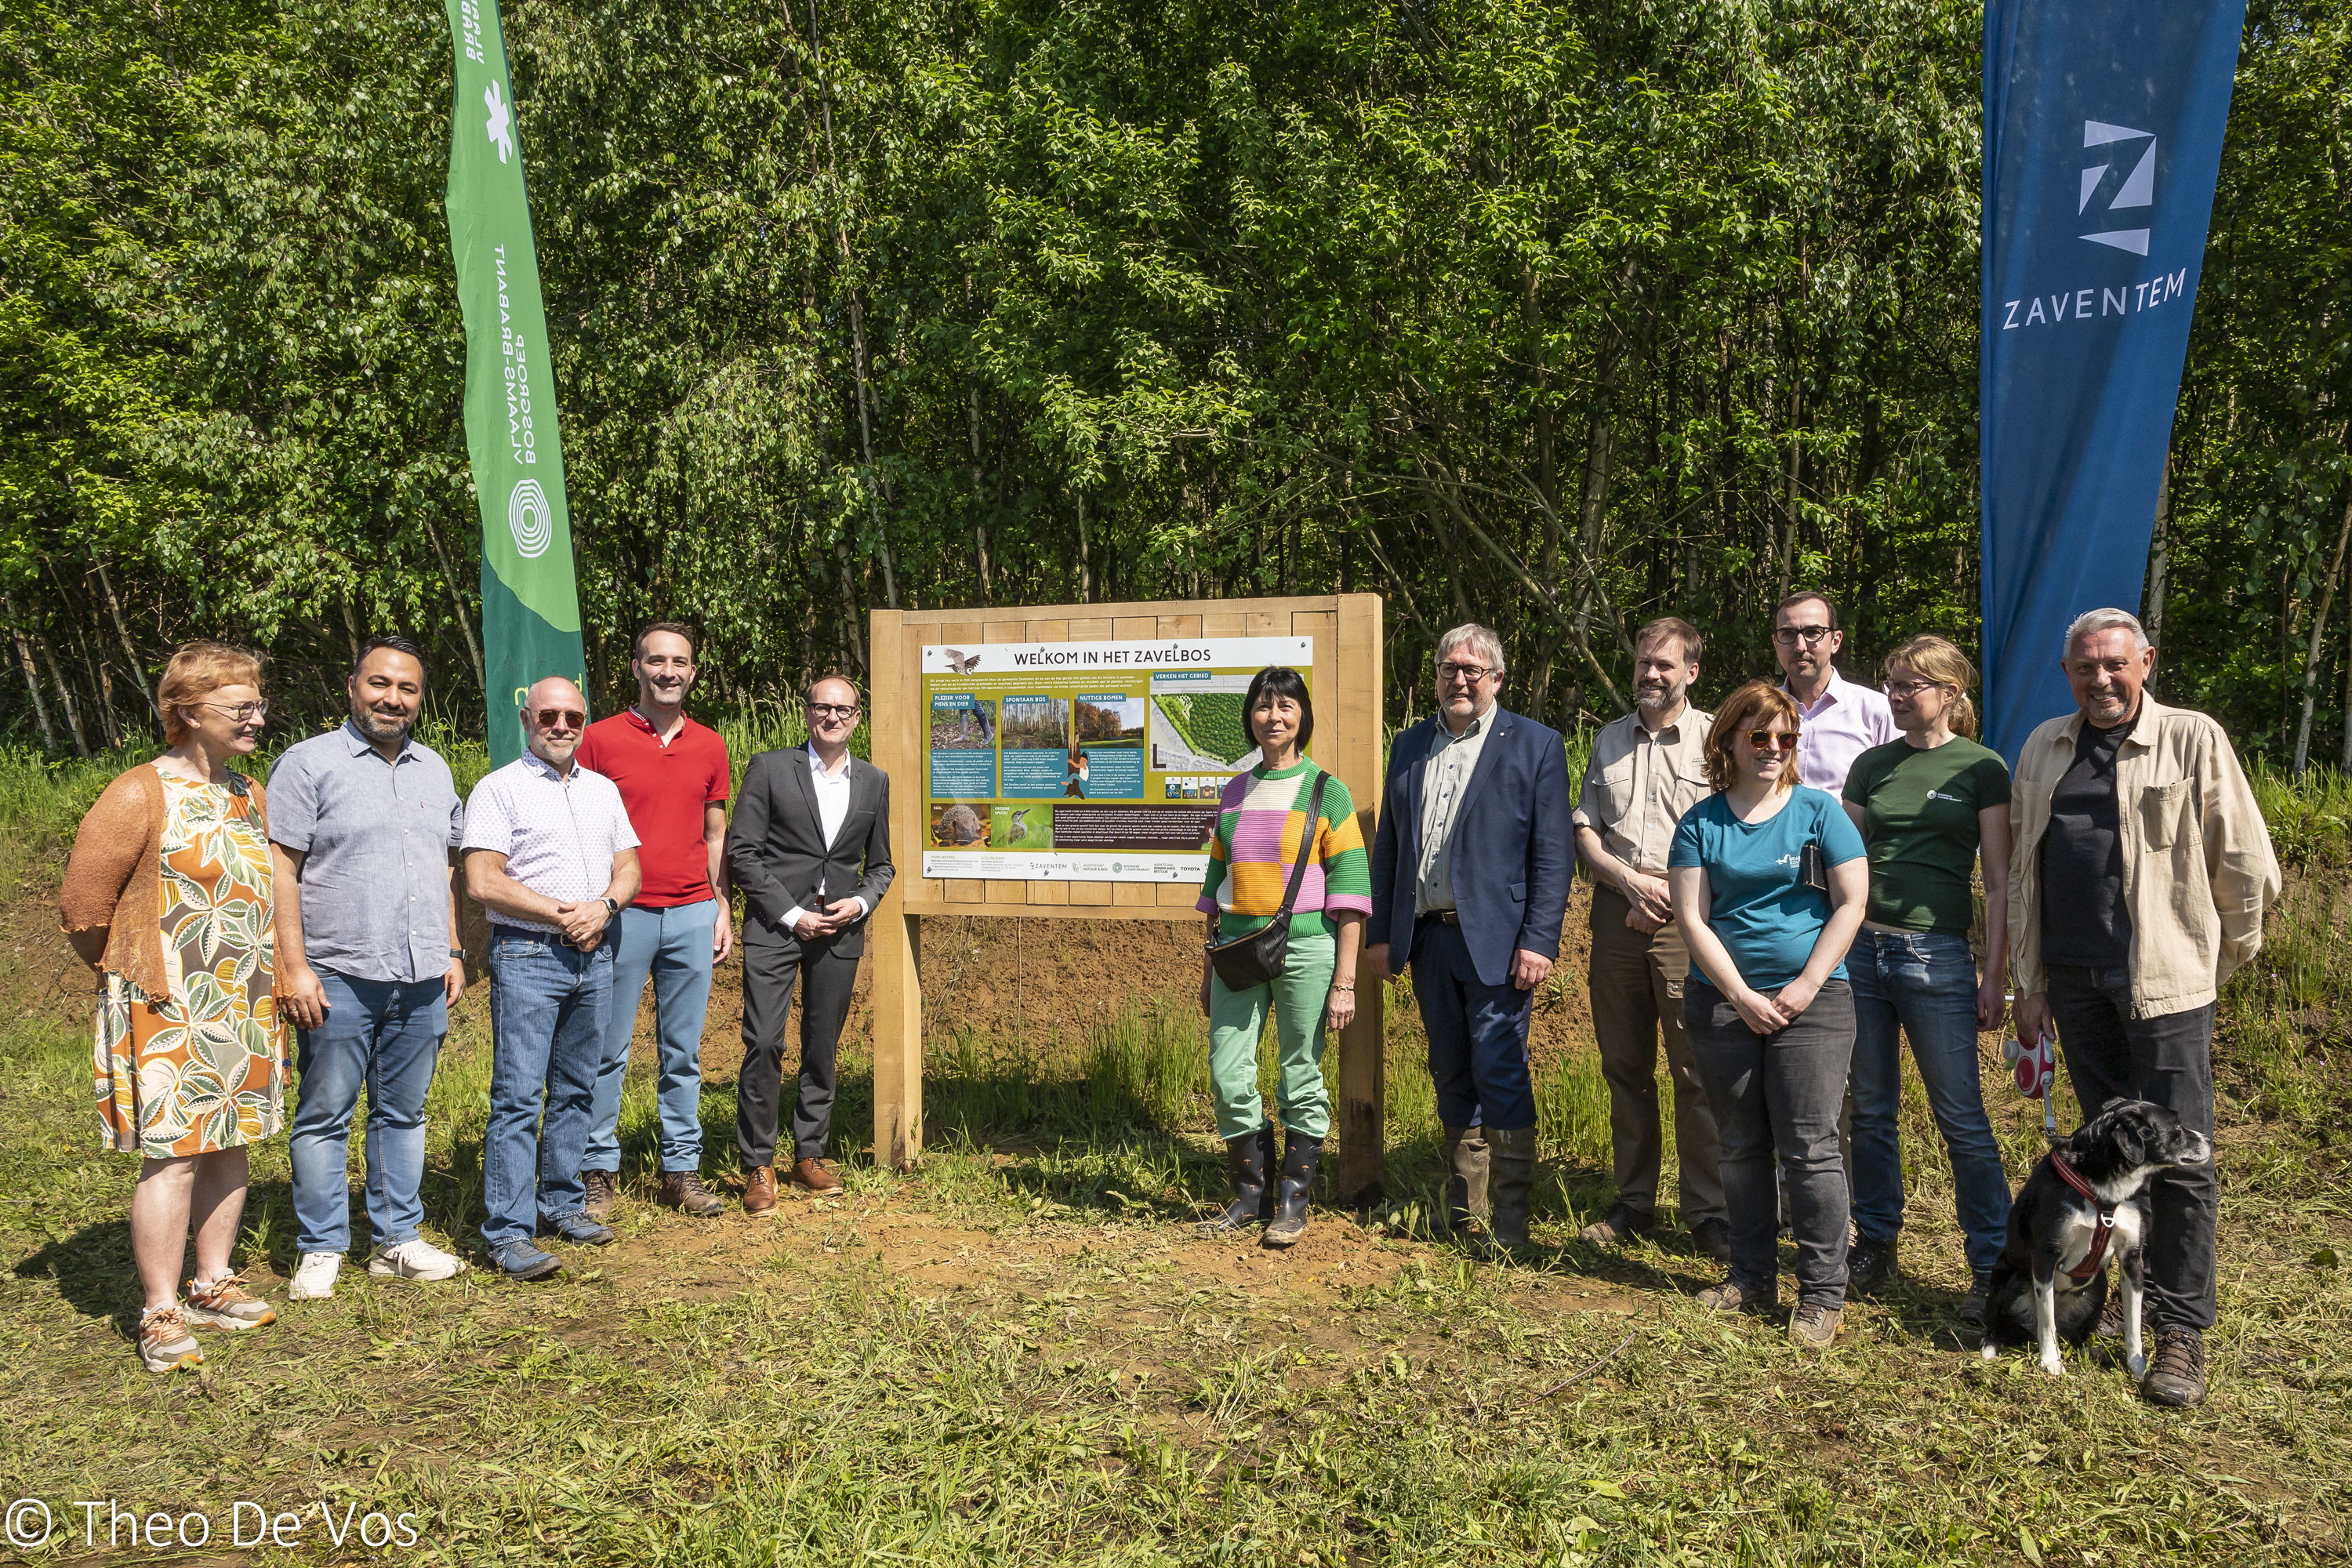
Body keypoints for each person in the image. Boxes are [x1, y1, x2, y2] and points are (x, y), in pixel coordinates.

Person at [2009, 608, 2278, 1406]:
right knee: (2107, 1168)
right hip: (2076, 984)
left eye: (2116, 665)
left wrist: (2210, 962)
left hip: (2166, 987)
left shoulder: (2192, 738)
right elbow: (2024, 872)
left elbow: (2244, 861)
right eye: (2086, 667)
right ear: (2067, 672)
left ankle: (2180, 1331)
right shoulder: (2042, 747)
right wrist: (2032, 981)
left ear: (2146, 661)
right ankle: (2101, 1299)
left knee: (2182, 1158)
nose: (2102, 680)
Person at [60, 643, 285, 1372]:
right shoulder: (139, 791)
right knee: (174, 1158)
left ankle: (213, 1281)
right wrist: (130, 971)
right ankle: (160, 1309)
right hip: (167, 1001)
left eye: (257, 704)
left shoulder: (249, 791)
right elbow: (82, 906)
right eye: (240, 707)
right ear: (187, 712)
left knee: (231, 1142)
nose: (257, 717)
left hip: (244, 997)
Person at [1668, 680, 1869, 1348]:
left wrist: (1807, 984)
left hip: (1814, 1003)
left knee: (1810, 1147)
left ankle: (1821, 1293)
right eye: (1759, 736)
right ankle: (1751, 1275)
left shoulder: (1820, 812)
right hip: (1725, 1005)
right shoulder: (1701, 824)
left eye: (1787, 738)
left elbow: (1851, 903)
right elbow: (1693, 919)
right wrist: (1741, 996)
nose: (1775, 749)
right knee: (1741, 1144)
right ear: (1728, 739)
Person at [270, 637, 470, 1301]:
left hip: (419, 976)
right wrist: (293, 966)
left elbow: (446, 869)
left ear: (420, 697)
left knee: (404, 1114)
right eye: (380, 684)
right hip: (338, 973)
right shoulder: (307, 765)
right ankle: (322, 1245)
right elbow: (282, 871)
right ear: (351, 686)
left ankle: (396, 1241)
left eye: (407, 688)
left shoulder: (434, 769)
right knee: (326, 1112)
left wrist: (451, 950)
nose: (393, 698)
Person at [1367, 624, 1571, 1249]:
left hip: (1501, 944)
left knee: (1501, 1068)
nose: (1459, 679)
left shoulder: (1535, 745)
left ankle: (1510, 1222)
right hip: (1429, 939)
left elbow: (1553, 854)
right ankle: (1465, 1214)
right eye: (1448, 668)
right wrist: (1381, 932)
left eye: (1472, 671)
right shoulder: (1407, 746)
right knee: (1449, 1069)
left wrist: (1539, 939)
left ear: (1496, 679)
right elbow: (1390, 847)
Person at [1837, 636, 2015, 1321]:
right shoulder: (1871, 765)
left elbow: (1998, 884)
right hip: (1862, 954)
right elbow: (1843, 860)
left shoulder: (1982, 767)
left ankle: (1992, 1263)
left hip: (1935, 957)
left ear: (1949, 693)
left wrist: (1991, 972)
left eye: (1911, 684)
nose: (1897, 694)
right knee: (1872, 1111)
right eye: (1891, 683)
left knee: (1961, 1118)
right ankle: (1876, 1245)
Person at [462, 678, 642, 1279]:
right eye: (549, 715)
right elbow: (483, 880)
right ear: (526, 717)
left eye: (573, 716)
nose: (562, 725)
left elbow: (629, 867)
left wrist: (606, 909)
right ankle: (508, 1232)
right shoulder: (498, 790)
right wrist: (568, 912)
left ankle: (561, 1202)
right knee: (517, 1098)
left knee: (576, 1088)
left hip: (596, 956)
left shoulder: (602, 791)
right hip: (529, 954)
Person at [1193, 667, 1371, 1247]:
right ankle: (1248, 1195)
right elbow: (1216, 890)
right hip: (1238, 948)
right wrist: (1207, 969)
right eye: (1264, 706)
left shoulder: (1328, 791)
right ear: (1251, 716)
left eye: (1286, 706)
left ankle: (1292, 1201)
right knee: (1228, 1068)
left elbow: (1351, 897)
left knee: (1301, 1069)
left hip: (1307, 945)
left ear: (1302, 716)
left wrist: (1345, 981)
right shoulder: (1234, 792)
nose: (1274, 717)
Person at [1571, 618, 1728, 1262]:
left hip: (1691, 917)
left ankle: (1710, 1213)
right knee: (1624, 1067)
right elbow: (1584, 829)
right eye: (1643, 663)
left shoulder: (1719, 737)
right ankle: (1634, 1202)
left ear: (1690, 671)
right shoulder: (1608, 740)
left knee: (1695, 1068)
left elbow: (1734, 828)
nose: (1650, 675)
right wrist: (1630, 883)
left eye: (1664, 665)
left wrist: (1670, 896)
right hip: (1615, 916)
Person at [575, 624, 733, 1219]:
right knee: (606, 1051)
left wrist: (722, 907)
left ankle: (681, 1170)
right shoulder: (597, 740)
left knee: (683, 1052)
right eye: (657, 661)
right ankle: (597, 1171)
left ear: (694, 672)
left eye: (681, 662)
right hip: (623, 916)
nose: (669, 671)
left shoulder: (711, 746)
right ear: (637, 668)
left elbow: (715, 834)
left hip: (692, 912)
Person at [727, 675, 895, 1210]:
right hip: (777, 926)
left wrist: (862, 903)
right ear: (807, 713)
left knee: (822, 1046)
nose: (833, 718)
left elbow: (882, 864)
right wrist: (793, 913)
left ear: (857, 718)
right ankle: (758, 1164)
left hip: (839, 931)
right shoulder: (771, 768)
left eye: (843, 710)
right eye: (823, 707)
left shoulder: (874, 781)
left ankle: (810, 1154)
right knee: (764, 1043)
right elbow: (743, 853)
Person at [1772, 591, 1895, 794]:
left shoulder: (1876, 711)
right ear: (1776, 643)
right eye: (1788, 634)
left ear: (1836, 641)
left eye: (1813, 633)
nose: (1800, 646)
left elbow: (1895, 790)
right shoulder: (1759, 711)